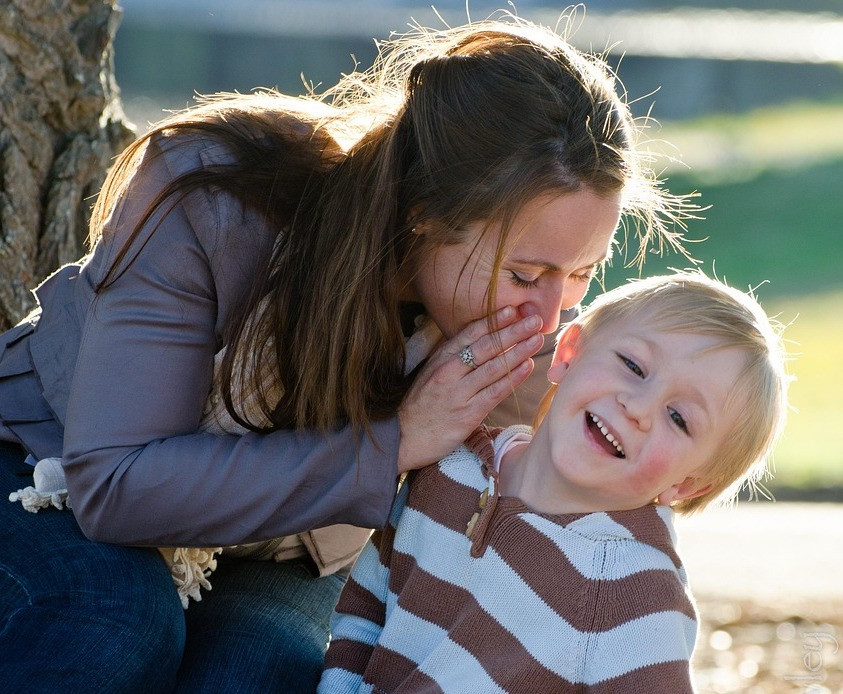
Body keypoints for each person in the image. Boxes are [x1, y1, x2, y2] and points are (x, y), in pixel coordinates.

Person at [0, 13, 692, 693]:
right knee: (112, 624)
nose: (550, 315)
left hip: (292, 546)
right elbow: (114, 484)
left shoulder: (520, 330)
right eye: (523, 274)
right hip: (46, 468)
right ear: (423, 212)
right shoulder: (213, 195)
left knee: (251, 671)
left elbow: (585, 474)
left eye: (579, 273)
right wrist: (395, 444)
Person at [319, 271, 789, 694]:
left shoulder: (632, 598)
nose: (638, 407)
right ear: (569, 353)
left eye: (678, 417)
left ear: (686, 485)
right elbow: (366, 608)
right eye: (633, 365)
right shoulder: (452, 465)